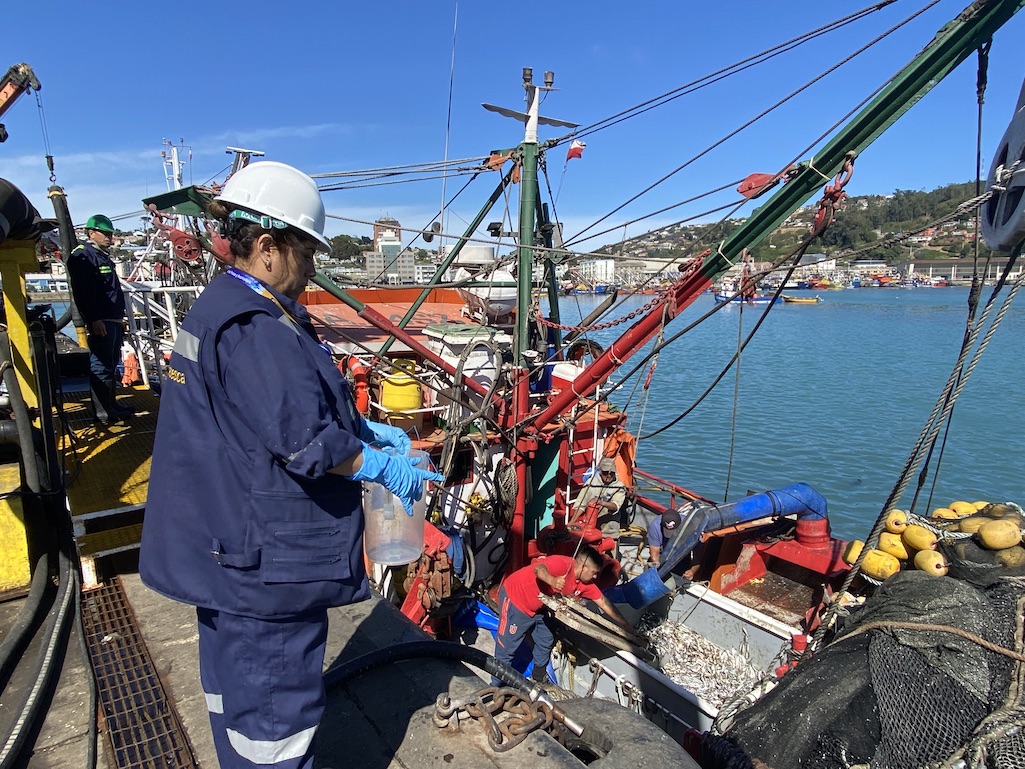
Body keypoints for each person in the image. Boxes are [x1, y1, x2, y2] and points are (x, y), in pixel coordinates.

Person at [139, 161, 443, 769]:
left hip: (225, 552)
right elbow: (304, 442)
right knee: (277, 718)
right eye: (307, 253)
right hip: (265, 566)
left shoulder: (225, 307)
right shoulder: (257, 329)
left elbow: (268, 411)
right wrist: (380, 467)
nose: (311, 271)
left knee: (237, 698)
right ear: (271, 248)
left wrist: (363, 427)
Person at [493, 546, 632, 685]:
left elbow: (604, 603)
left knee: (546, 639)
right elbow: (538, 569)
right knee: (506, 648)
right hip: (516, 599)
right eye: (594, 573)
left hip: (540, 606)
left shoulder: (586, 584)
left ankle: (539, 678)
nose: (595, 577)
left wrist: (627, 627)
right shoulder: (562, 564)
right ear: (583, 567)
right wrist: (552, 580)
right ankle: (496, 687)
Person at [67, 214, 133, 422]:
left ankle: (111, 405)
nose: (109, 237)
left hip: (111, 318)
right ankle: (103, 411)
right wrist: (94, 319)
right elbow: (84, 292)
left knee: (111, 362)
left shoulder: (101, 256)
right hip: (101, 319)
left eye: (110, 234)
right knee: (101, 364)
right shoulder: (83, 256)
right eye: (105, 233)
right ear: (91, 233)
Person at [574, 457, 629, 538]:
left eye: (611, 473)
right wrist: (571, 522)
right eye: (605, 473)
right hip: (590, 524)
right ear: (600, 472)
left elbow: (615, 506)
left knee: (609, 545)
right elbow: (580, 504)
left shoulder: (619, 486)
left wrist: (601, 502)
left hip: (609, 526)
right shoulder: (591, 482)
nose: (608, 475)